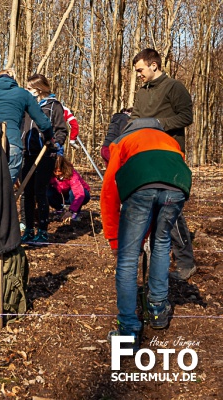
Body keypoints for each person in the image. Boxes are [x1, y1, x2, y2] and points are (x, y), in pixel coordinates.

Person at [101, 118, 191, 352]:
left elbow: (110, 191)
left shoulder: (123, 141)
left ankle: (128, 330)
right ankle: (157, 310)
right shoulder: (169, 141)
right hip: (177, 187)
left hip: (141, 189)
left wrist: (114, 238)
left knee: (128, 257)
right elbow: (168, 178)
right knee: (161, 243)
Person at [131, 48, 196, 281]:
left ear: (154, 66)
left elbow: (186, 117)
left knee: (171, 210)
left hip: (169, 156)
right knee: (152, 206)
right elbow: (135, 118)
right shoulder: (141, 92)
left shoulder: (174, 87)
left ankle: (186, 263)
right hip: (145, 156)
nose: (138, 74)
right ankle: (149, 260)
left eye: (140, 70)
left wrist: (158, 124)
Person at [20, 73, 69, 244]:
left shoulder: (53, 106)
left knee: (40, 191)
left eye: (29, 88)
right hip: (27, 153)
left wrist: (55, 144)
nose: (27, 91)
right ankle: (28, 228)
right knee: (27, 192)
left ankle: (42, 229)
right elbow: (22, 127)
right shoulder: (27, 106)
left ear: (39, 89)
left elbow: (62, 129)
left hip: (45, 154)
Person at [47, 155, 90, 222]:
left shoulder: (72, 174)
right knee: (47, 192)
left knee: (72, 192)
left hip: (79, 195)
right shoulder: (50, 175)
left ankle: (75, 214)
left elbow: (79, 194)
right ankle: (60, 210)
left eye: (59, 171)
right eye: (55, 171)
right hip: (61, 196)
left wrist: (71, 211)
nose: (57, 174)